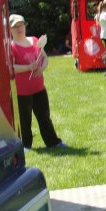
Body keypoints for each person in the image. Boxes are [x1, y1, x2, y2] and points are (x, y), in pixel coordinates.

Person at [9, 14, 66, 151]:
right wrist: (28, 67)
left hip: (39, 88)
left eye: (21, 25)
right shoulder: (11, 47)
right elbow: (11, 68)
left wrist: (41, 68)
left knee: (45, 117)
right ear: (10, 30)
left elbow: (45, 58)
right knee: (25, 120)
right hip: (22, 91)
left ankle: (53, 142)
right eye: (15, 27)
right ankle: (26, 145)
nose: (19, 29)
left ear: (25, 26)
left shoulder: (35, 41)